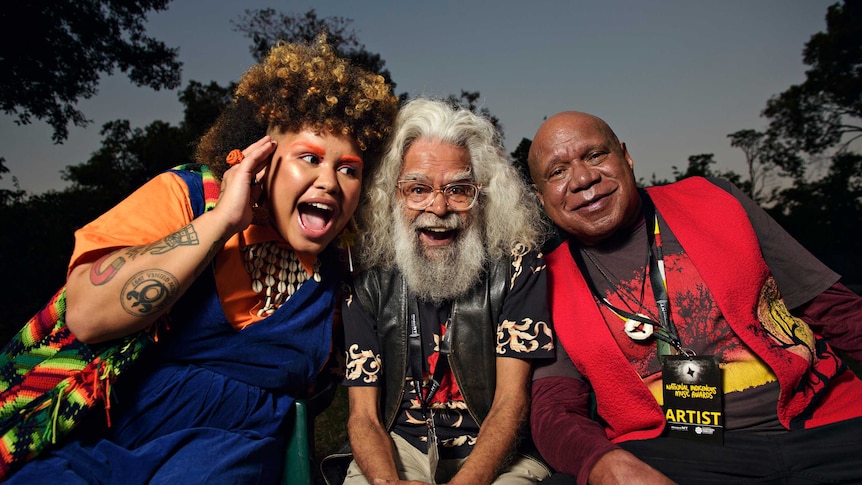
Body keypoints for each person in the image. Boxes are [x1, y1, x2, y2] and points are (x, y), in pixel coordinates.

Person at [5, 36, 398, 483]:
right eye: (309, 158)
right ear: (262, 157)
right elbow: (88, 316)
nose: (329, 180)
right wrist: (224, 220)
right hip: (94, 448)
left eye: (348, 169)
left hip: (225, 460)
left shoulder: (343, 272)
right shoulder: (187, 197)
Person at [526, 111, 862, 484]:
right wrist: (603, 461)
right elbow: (554, 408)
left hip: (826, 423)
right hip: (678, 453)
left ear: (626, 156)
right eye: (557, 172)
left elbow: (836, 311)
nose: (583, 179)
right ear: (541, 197)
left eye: (595, 155)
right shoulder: (543, 278)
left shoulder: (716, 200)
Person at [339, 98, 554, 485]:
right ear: (393, 194)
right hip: (397, 448)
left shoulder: (520, 267)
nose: (438, 207)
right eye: (417, 189)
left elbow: (510, 401)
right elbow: (364, 416)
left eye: (458, 189)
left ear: (482, 196)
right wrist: (388, 482)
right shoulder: (368, 280)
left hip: (497, 451)